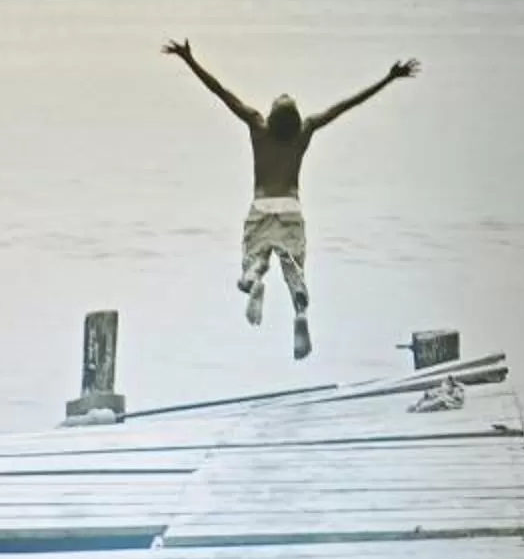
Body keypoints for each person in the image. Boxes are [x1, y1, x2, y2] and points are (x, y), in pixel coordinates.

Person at [163, 40, 420, 360]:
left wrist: (189, 59)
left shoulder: (257, 125)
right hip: (290, 207)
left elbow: (220, 92)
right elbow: (346, 105)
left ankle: (254, 277)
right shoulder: (305, 130)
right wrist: (388, 78)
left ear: (273, 113)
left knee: (253, 260)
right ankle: (300, 313)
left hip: (261, 206)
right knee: (294, 269)